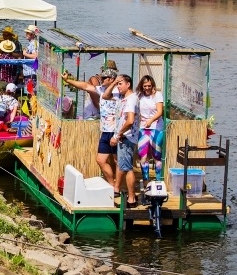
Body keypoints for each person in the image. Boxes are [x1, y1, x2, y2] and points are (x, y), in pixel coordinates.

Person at [62, 65, 119, 187]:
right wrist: (68, 80)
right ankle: (112, 185)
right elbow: (85, 86)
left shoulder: (119, 91)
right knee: (100, 160)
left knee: (118, 161)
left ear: (111, 79)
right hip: (105, 130)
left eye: (104, 78)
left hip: (116, 131)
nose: (101, 79)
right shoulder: (101, 89)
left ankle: (118, 187)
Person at [103, 74, 140, 208]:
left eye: (120, 84)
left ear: (128, 84)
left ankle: (131, 199)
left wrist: (117, 135)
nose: (118, 86)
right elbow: (105, 96)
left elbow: (130, 121)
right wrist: (113, 83)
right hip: (124, 137)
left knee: (128, 168)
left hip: (126, 138)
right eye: (117, 84)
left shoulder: (131, 99)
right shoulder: (122, 97)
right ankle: (125, 194)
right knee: (123, 165)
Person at [136, 75, 164, 183]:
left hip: (156, 127)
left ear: (152, 85)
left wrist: (151, 120)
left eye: (149, 86)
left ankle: (158, 180)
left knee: (156, 155)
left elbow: (159, 112)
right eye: (145, 86)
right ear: (142, 86)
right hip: (143, 128)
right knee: (143, 156)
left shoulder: (157, 95)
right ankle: (146, 181)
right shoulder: (139, 95)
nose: (147, 88)